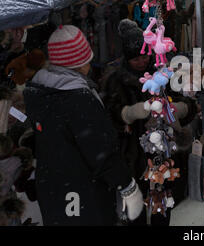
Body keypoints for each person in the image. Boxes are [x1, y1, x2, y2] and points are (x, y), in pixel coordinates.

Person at [22, 25, 143, 225]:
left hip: (53, 190)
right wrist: (128, 186)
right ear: (80, 63)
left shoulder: (40, 92)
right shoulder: (78, 98)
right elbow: (101, 151)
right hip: (81, 193)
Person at [100, 19, 197, 226]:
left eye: (145, 55)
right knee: (135, 210)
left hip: (163, 152)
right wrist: (128, 113)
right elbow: (108, 114)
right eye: (136, 58)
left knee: (162, 207)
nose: (142, 61)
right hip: (132, 155)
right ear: (127, 57)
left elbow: (187, 101)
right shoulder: (115, 79)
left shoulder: (163, 72)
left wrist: (181, 109)